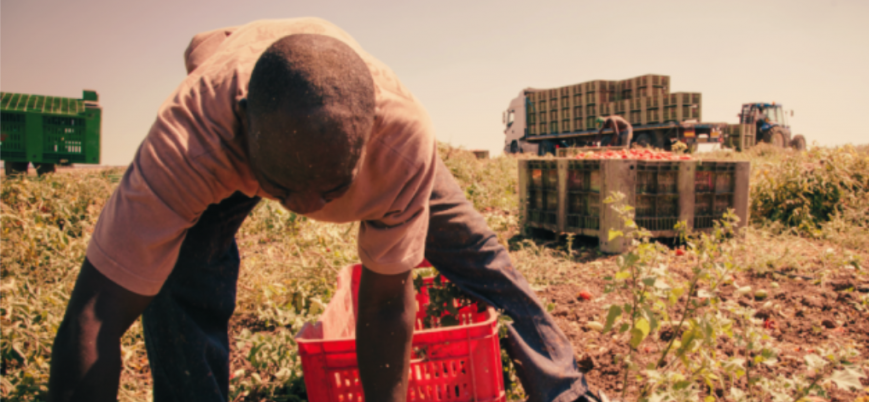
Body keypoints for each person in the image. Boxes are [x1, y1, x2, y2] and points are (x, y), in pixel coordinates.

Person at [46, 18, 604, 402]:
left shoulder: (400, 137)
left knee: (476, 252)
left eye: (331, 187)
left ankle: (563, 387)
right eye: (283, 187)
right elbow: (92, 318)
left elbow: (386, 303)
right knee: (179, 286)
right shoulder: (192, 140)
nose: (306, 209)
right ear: (244, 128)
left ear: (366, 144)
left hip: (338, 114)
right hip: (236, 116)